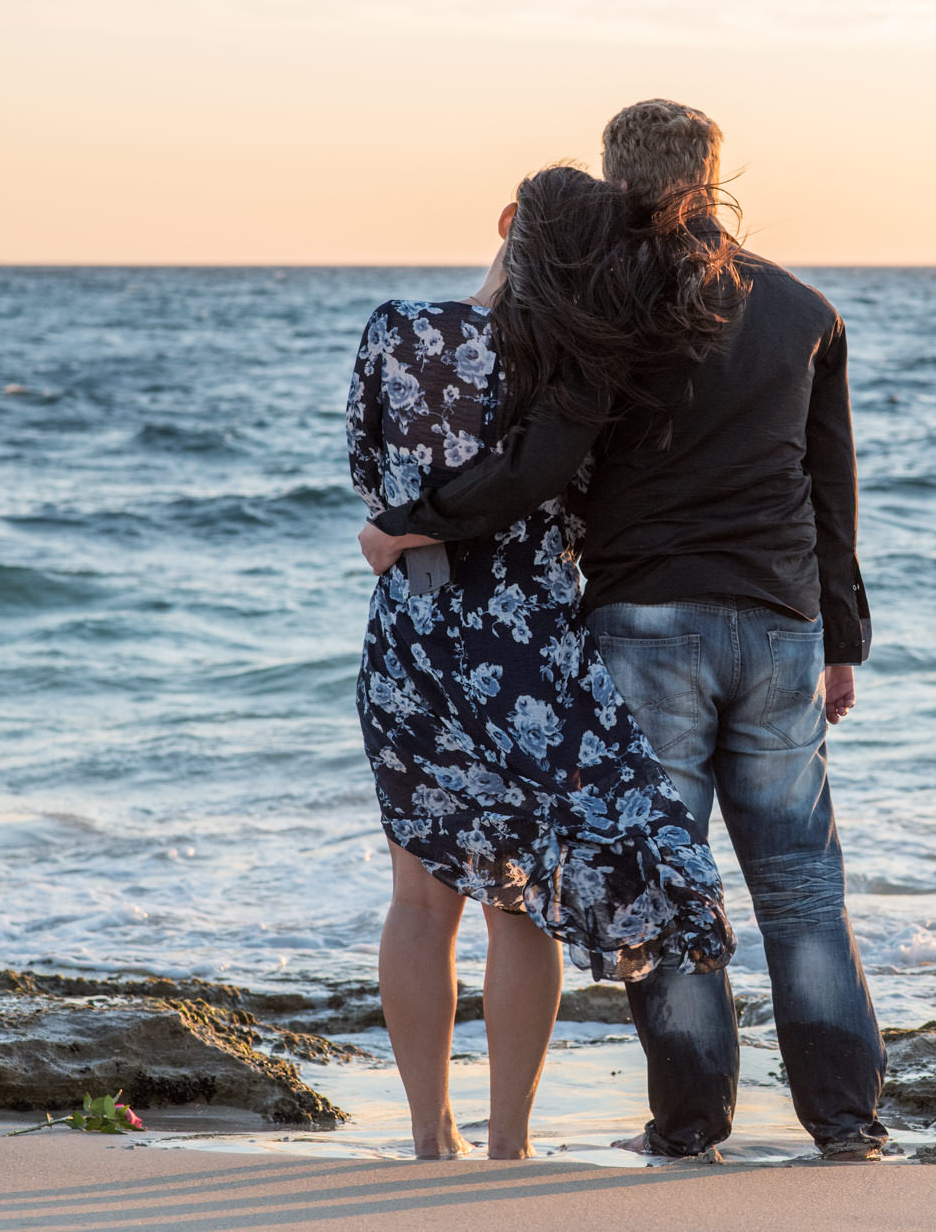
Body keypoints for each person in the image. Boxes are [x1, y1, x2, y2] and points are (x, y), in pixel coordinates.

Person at [359, 99, 888, 1161]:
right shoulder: (804, 308)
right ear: (714, 170)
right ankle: (844, 1120)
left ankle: (691, 1120)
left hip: (645, 622)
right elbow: (831, 490)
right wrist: (843, 639)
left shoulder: (608, 303)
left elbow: (545, 461)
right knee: (801, 886)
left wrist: (418, 522)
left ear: (612, 176)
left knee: (667, 864)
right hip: (781, 621)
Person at [347, 164, 739, 1161]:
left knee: (416, 899)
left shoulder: (398, 330)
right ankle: (509, 1139)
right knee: (521, 901)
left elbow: (365, 465)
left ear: (505, 223)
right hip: (531, 652)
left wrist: (404, 525)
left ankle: (427, 1135)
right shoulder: (578, 371)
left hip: (414, 636)